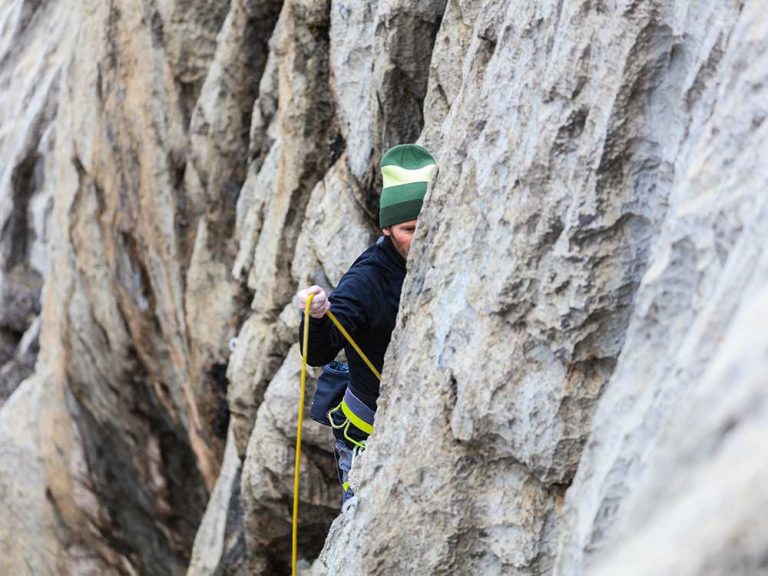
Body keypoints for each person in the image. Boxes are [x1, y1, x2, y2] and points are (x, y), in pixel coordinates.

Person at [294, 143, 436, 507]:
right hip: (370, 428)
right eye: (408, 229)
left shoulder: (442, 251)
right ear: (386, 228)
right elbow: (319, 351)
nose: (420, 237)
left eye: (428, 226)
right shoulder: (366, 280)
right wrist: (316, 315)